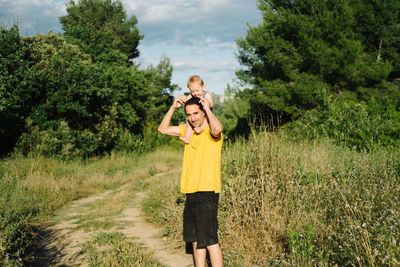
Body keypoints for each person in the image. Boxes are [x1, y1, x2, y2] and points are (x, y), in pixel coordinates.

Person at [158, 95, 224, 267]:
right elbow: (163, 129)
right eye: (189, 115)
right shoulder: (188, 131)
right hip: (191, 191)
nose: (193, 118)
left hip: (207, 191)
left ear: (203, 112)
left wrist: (207, 108)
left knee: (210, 240)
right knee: (195, 239)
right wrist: (173, 108)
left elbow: (218, 128)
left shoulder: (211, 132)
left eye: (196, 113)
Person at [179, 75, 214, 144]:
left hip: (207, 113)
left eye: (197, 90)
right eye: (192, 91)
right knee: (188, 124)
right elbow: (187, 100)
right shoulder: (192, 96)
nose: (195, 93)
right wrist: (183, 100)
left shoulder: (206, 95)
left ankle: (201, 129)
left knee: (207, 120)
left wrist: (206, 103)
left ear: (203, 87)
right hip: (198, 114)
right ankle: (187, 138)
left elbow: (211, 104)